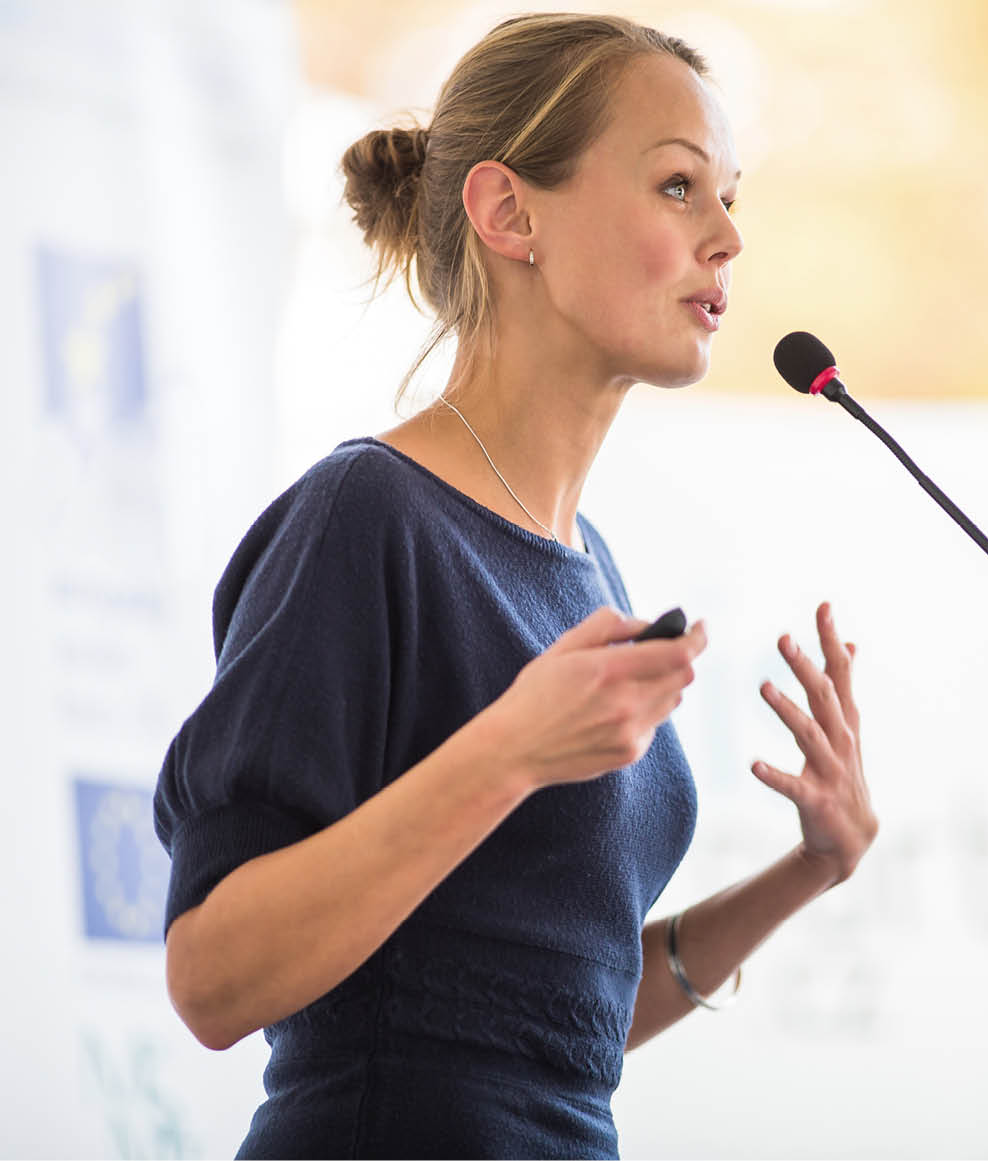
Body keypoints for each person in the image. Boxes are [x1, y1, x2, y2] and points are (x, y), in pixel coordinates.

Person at [153, 12, 877, 1159]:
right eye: (681, 186)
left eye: (733, 195)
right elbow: (212, 976)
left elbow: (540, 1030)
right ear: (508, 214)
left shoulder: (587, 562)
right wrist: (510, 753)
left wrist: (808, 872)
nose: (730, 234)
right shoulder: (368, 517)